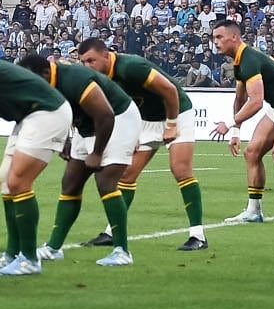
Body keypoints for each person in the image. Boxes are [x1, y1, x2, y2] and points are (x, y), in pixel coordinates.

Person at [76, 39, 207, 249]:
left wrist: (172, 125)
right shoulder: (98, 79)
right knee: (127, 174)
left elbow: (170, 90)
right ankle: (112, 231)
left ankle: (198, 236)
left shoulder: (131, 67)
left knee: (180, 169)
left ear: (106, 55)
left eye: (91, 60)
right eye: (83, 62)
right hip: (146, 120)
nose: (87, 66)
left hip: (176, 111)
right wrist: (131, 134)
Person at [19, 55, 137, 265]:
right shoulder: (47, 83)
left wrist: (97, 153)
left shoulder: (74, 78)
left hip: (118, 119)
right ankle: (54, 248)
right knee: (70, 183)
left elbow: (105, 114)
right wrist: (65, 139)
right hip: (87, 125)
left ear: (46, 73)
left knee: (105, 182)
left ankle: (122, 251)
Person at [0, 53, 75, 275]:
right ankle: (12, 254)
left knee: (18, 181)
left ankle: (30, 259)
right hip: (27, 114)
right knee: (5, 180)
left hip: (46, 110)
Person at [210, 20, 274, 227]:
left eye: (219, 37)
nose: (216, 42)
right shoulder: (239, 61)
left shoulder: (248, 59)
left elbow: (256, 101)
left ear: (234, 37)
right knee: (252, 152)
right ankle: (254, 211)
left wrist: (228, 124)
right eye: (214, 38)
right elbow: (239, 99)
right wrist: (236, 133)